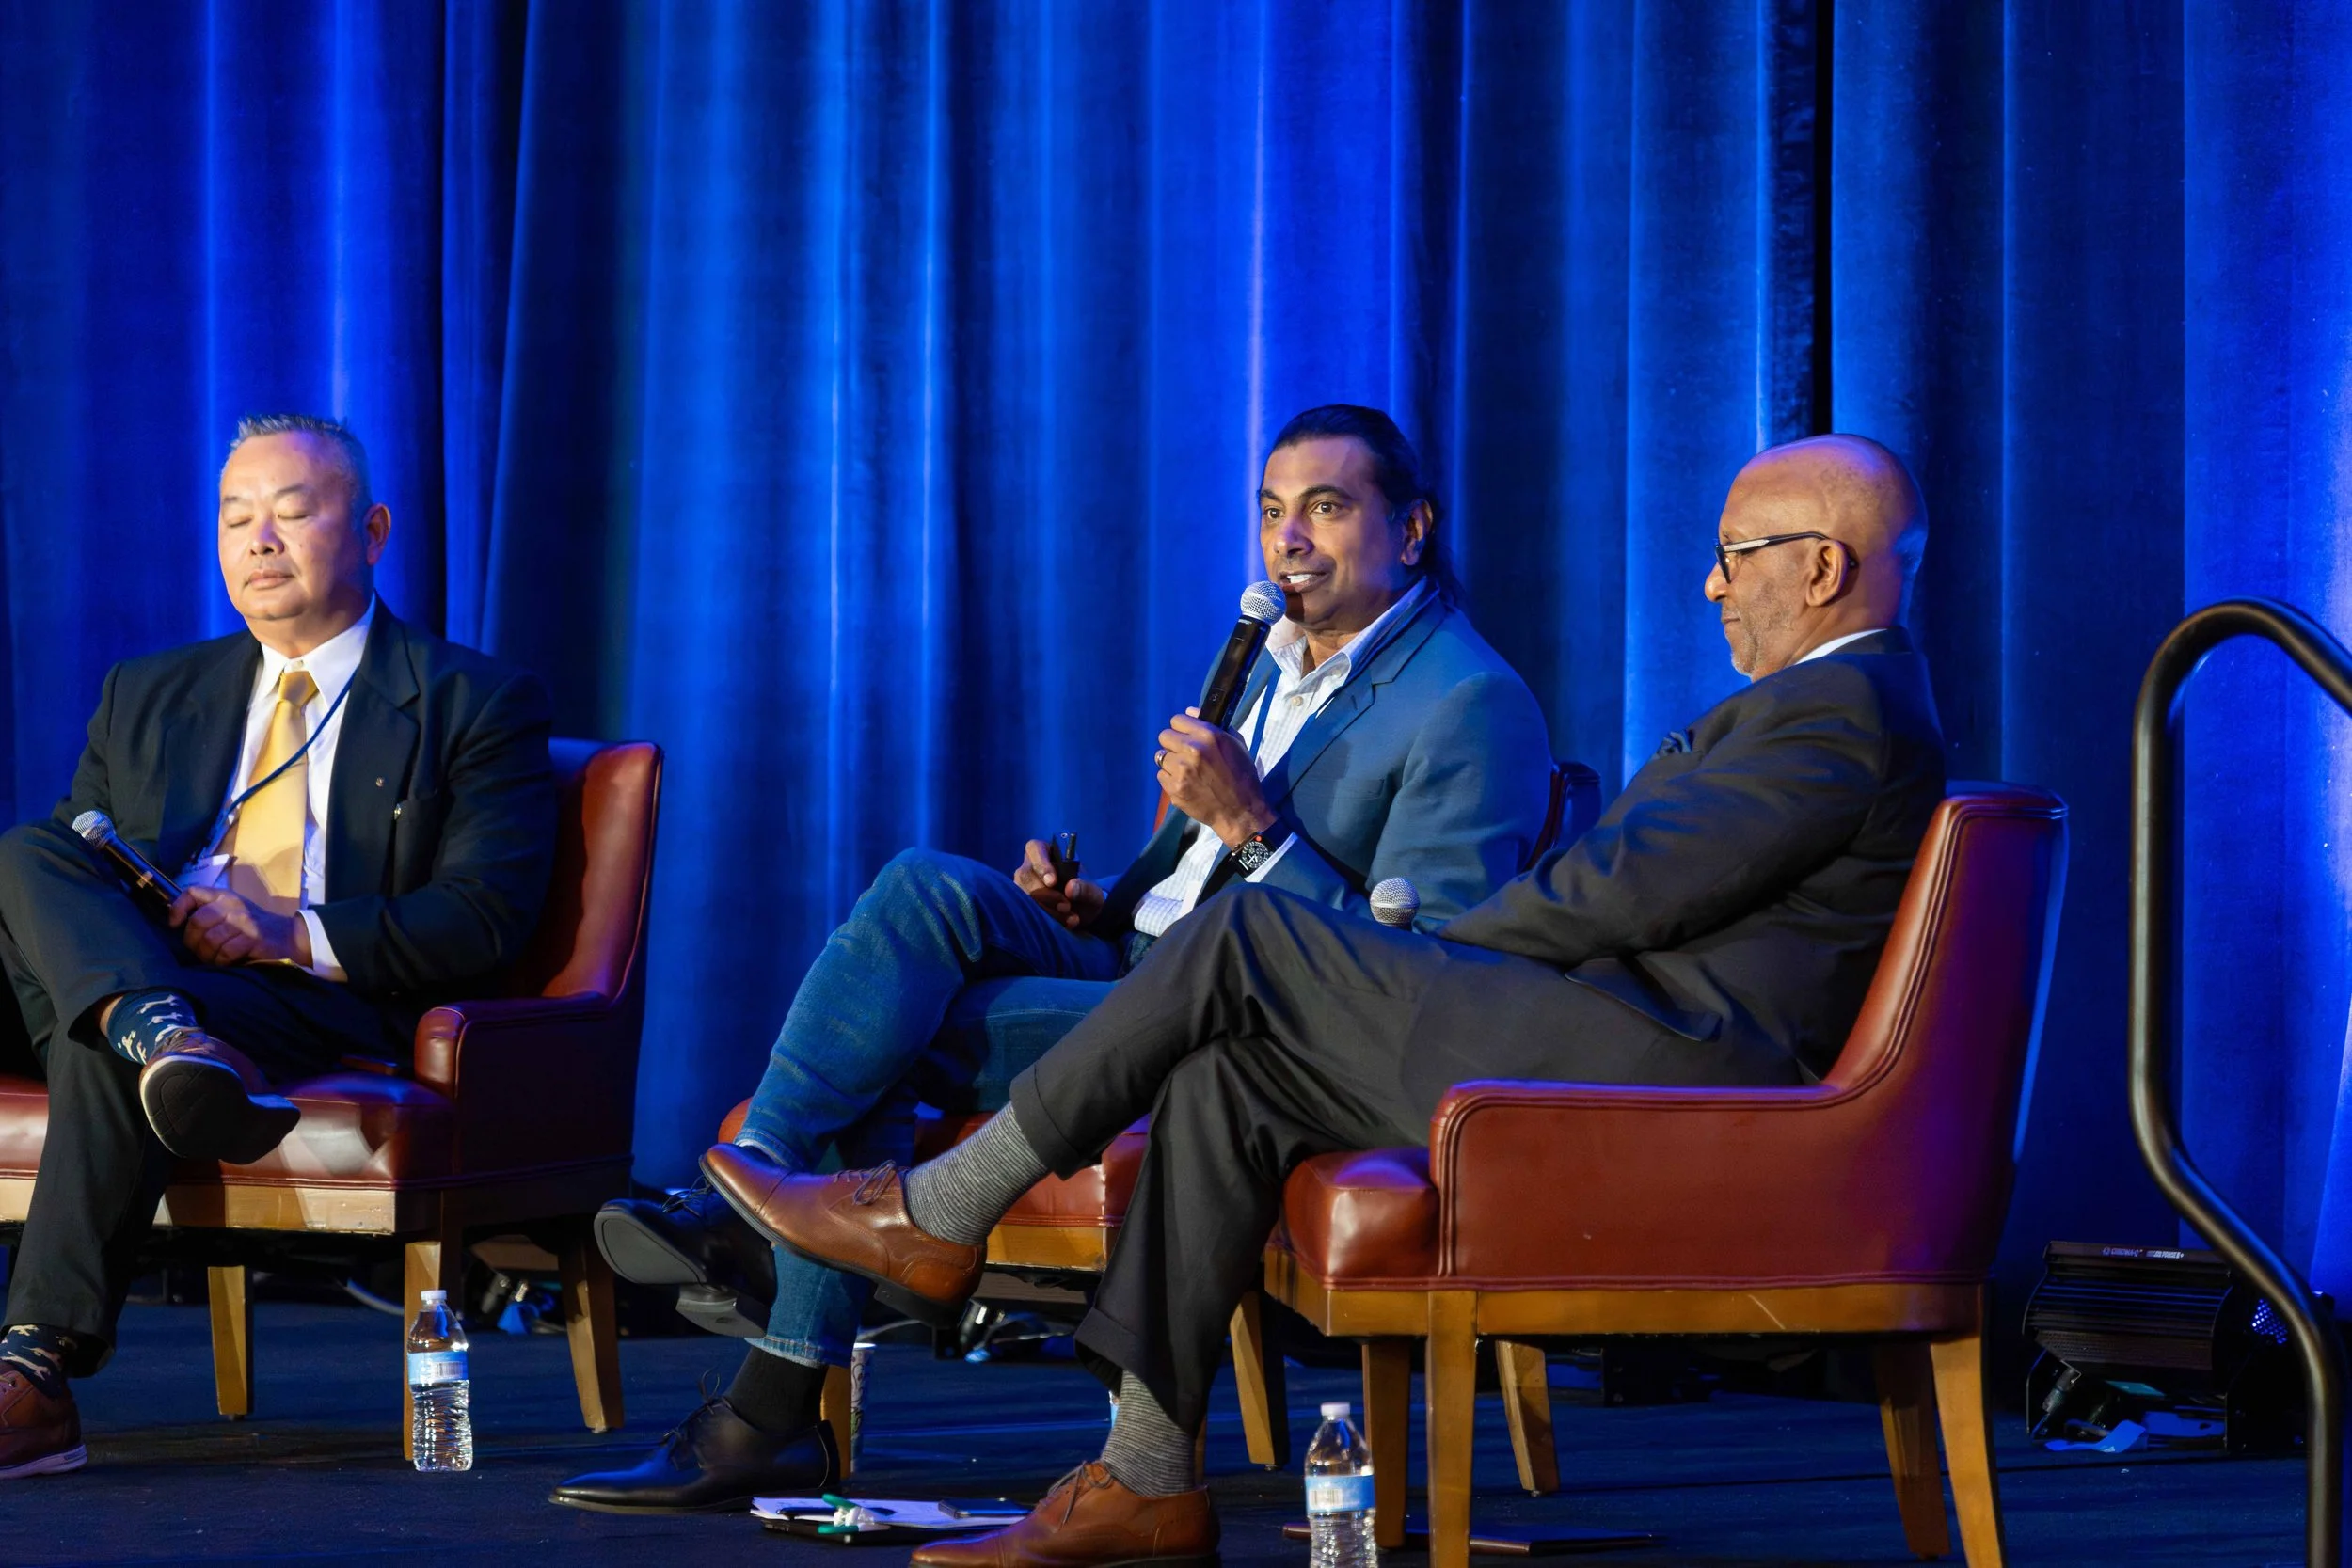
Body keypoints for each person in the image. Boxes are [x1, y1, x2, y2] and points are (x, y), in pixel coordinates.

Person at [708, 433, 1948, 1567]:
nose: (1712, 586)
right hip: (1619, 1028)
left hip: (1670, 1064)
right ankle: (1143, 1474)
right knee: (1227, 1064)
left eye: (1734, 559)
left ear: (1826, 565)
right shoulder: (1825, 707)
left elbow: (1618, 896)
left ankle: (941, 1208)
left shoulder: (1840, 711)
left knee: (1248, 936)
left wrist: (1441, 953)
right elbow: (1623, 893)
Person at [552, 404, 1555, 1513]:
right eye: (1273, 511)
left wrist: (1254, 829)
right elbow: (1182, 886)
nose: (1291, 541)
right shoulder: (1275, 659)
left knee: (900, 1032)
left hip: (1241, 1020)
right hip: (1138, 959)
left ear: (1412, 529)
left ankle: (766, 1379)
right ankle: (756, 1228)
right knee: (922, 885)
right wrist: (1096, 901)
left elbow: (1419, 974)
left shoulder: (1470, 701)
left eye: (1327, 507)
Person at [0, 414, 556, 1480]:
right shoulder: (150, 690)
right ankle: (157, 1026)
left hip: (311, 995)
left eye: (293, 512)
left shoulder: (471, 700)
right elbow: (70, 876)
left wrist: (288, 930)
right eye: (236, 517)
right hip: (155, 971)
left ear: (375, 528)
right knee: (30, 851)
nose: (259, 540)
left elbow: (486, 915)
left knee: (97, 1030)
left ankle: (35, 1369)